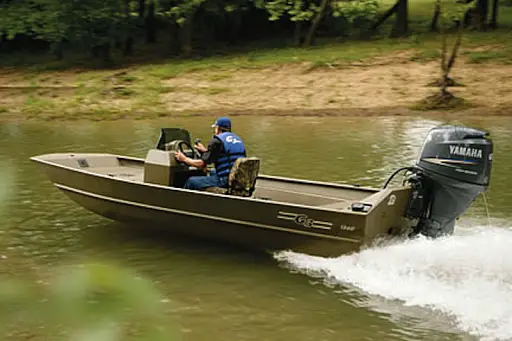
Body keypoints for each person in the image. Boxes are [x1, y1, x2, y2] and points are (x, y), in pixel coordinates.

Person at [174, 117, 246, 190]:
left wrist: (184, 158)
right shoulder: (238, 139)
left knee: (191, 181)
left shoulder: (217, 141)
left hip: (225, 180)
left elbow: (201, 164)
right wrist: (206, 151)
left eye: (215, 128)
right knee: (212, 172)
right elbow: (227, 156)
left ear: (218, 128)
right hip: (238, 178)